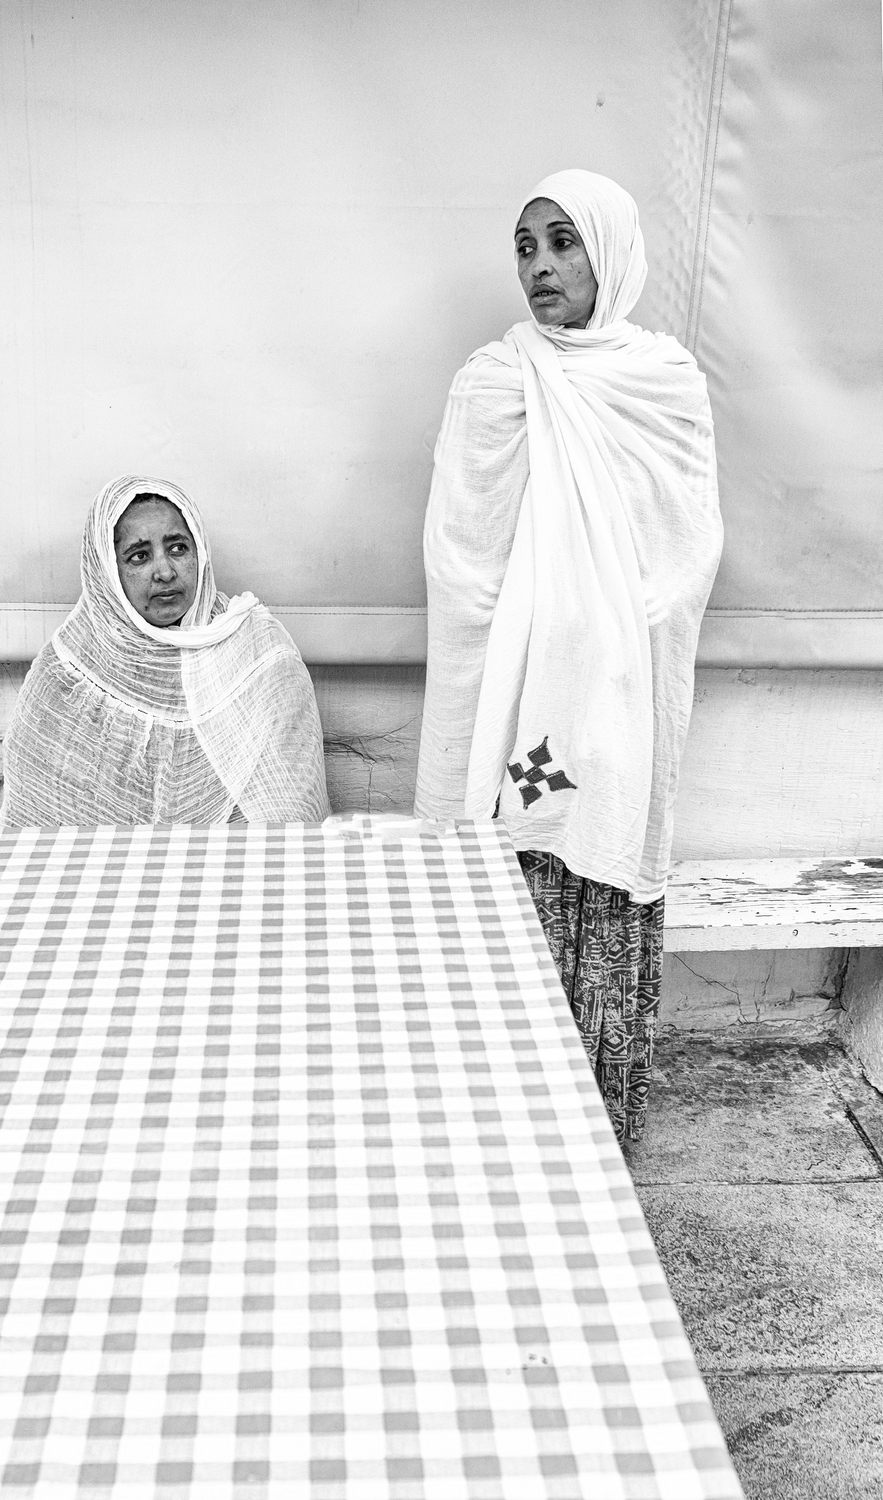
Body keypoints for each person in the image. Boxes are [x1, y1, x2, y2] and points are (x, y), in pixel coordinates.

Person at [415, 170, 722, 1142]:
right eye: (525, 246)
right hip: (515, 701)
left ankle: (588, 1147)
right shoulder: (495, 380)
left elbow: (690, 545)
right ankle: (489, 1141)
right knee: (516, 863)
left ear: (611, 252)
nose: (540, 266)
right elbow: (460, 555)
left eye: (563, 241)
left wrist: (614, 624)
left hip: (617, 698)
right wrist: (537, 629)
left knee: (599, 863)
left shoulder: (663, 380)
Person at [1, 475, 330, 826]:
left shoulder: (258, 651)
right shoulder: (66, 673)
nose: (165, 572)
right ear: (107, 573)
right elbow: (39, 829)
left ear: (199, 552)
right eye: (139, 556)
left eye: (177, 549)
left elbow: (288, 817)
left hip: (235, 859)